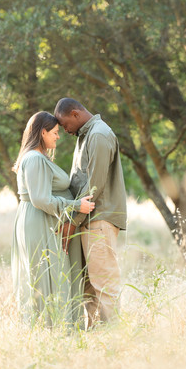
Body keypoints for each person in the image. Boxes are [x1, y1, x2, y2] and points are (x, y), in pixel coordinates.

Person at [11, 111, 95, 326]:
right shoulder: (35, 158)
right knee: (46, 275)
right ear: (43, 132)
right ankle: (51, 329)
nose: (58, 136)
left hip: (39, 220)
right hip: (38, 221)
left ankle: (50, 328)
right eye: (55, 132)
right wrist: (76, 206)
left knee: (47, 274)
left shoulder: (35, 157)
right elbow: (40, 199)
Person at [54, 98, 127, 328]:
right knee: (89, 285)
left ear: (75, 114)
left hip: (99, 218)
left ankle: (114, 339)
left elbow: (94, 186)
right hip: (88, 219)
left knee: (104, 283)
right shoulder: (86, 135)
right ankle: (96, 339)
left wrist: (72, 222)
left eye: (65, 125)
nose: (64, 130)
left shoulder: (98, 135)